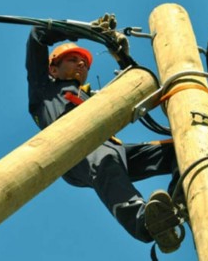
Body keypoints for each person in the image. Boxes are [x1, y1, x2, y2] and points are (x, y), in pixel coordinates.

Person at [25, 26, 183, 253]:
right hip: (72, 150)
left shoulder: (91, 96)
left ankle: (177, 207)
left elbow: (139, 83)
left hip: (110, 148)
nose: (81, 64)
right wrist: (87, 31)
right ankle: (145, 224)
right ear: (53, 69)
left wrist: (121, 56)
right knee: (105, 160)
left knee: (178, 149)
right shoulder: (43, 90)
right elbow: (37, 36)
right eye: (72, 60)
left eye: (84, 63)